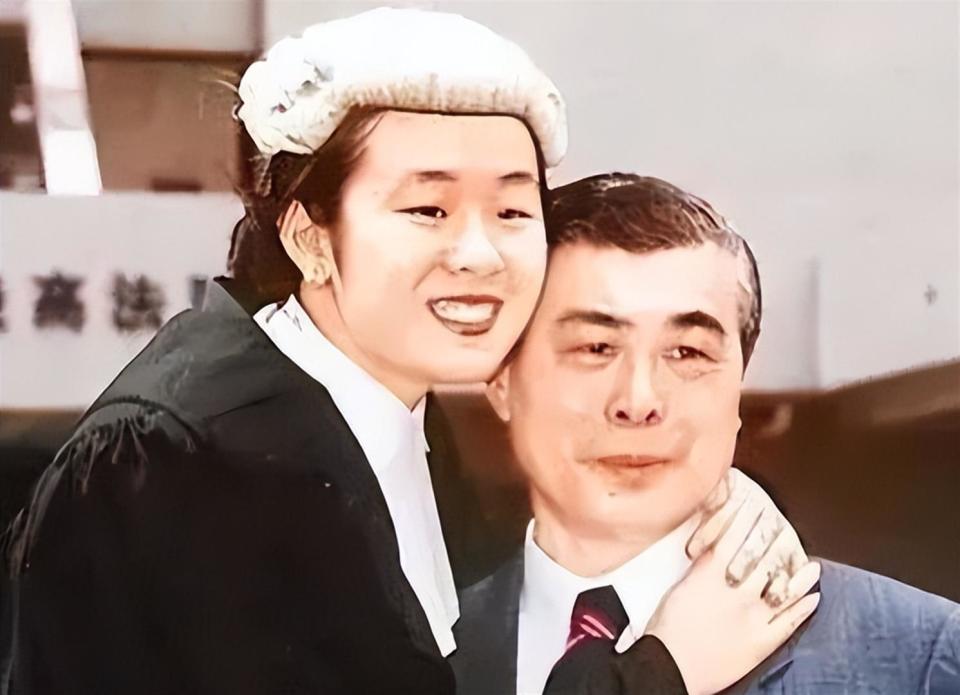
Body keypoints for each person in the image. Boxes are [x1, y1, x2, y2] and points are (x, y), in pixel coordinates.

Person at [1, 11, 813, 695]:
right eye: (428, 209)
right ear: (310, 237)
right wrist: (660, 671)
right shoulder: (180, 457)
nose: (479, 254)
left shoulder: (396, 419)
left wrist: (709, 505)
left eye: (511, 211)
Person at [451, 173, 960, 695]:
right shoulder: (421, 651)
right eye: (595, 348)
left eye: (687, 352)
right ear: (501, 378)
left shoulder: (923, 657)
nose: (638, 401)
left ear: (738, 389)